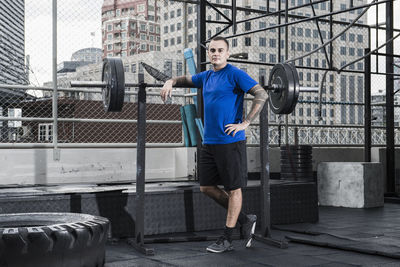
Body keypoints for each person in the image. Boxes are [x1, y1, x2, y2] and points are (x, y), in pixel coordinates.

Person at [160, 36, 268, 253]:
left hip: (230, 142)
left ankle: (228, 238)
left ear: (227, 53)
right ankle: (246, 219)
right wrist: (170, 81)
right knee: (206, 187)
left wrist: (245, 123)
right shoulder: (206, 76)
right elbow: (186, 79)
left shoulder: (235, 74)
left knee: (234, 189)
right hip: (209, 142)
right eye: (212, 50)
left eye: (220, 50)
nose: (215, 53)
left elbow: (261, 93)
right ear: (208, 54)